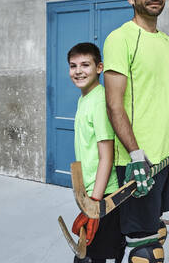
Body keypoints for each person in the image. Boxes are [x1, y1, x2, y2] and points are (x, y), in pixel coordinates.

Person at [103, 0, 169, 263]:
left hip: (162, 155)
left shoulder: (165, 41)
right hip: (136, 161)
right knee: (146, 252)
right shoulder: (121, 39)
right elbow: (114, 104)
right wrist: (134, 155)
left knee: (156, 227)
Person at [68, 42, 125, 263]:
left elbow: (107, 155)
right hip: (91, 193)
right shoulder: (84, 98)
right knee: (87, 256)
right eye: (73, 66)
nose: (78, 71)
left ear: (99, 67)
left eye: (85, 64)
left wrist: (95, 202)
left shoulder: (100, 101)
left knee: (98, 257)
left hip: (104, 197)